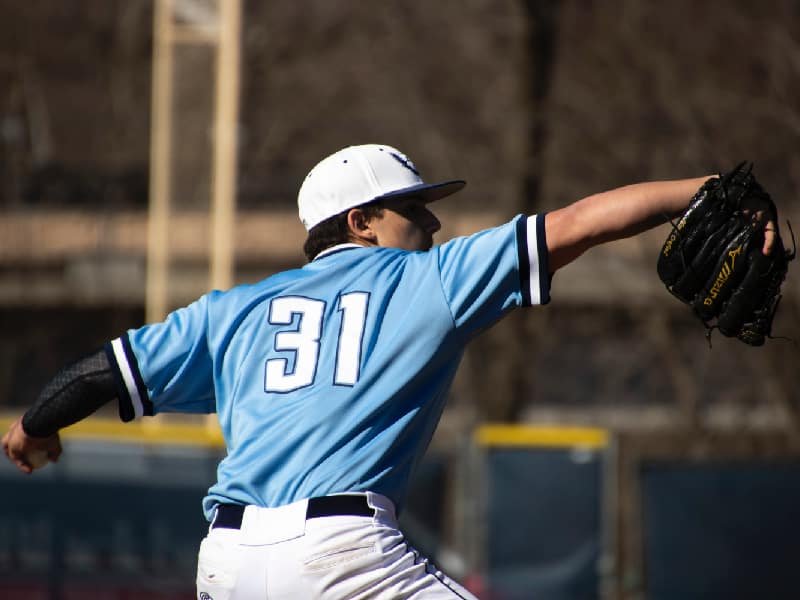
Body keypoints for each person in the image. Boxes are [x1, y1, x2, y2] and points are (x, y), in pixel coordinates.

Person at [2, 143, 777, 599]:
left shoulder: (230, 311)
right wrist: (702, 192)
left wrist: (34, 429)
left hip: (227, 566)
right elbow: (576, 223)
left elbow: (99, 373)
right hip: (341, 557)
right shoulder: (427, 281)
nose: (432, 221)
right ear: (361, 222)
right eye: (412, 208)